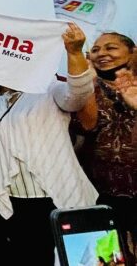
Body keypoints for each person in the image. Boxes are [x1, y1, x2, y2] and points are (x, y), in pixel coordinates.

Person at [0, 23, 97, 265]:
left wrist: (74, 54)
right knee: (31, 255)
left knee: (71, 257)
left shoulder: (49, 90)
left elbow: (77, 95)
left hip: (55, 195)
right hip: (17, 197)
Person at [74, 32, 136, 262]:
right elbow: (86, 126)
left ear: (132, 52)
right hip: (100, 193)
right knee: (110, 258)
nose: (102, 54)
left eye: (111, 48)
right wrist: (87, 83)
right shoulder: (89, 89)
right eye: (96, 50)